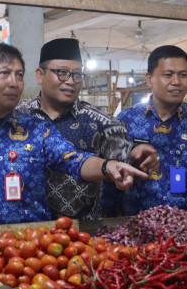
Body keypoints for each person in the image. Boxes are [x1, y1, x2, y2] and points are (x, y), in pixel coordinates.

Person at [0, 43, 147, 229]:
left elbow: (73, 159)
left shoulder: (37, 129)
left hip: (32, 248)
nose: (14, 82)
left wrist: (107, 166)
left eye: (19, 75)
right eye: (4, 73)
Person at [17, 38, 159, 220]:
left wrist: (138, 158)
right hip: (24, 233)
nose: (70, 81)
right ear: (40, 75)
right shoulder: (17, 118)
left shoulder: (102, 122)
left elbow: (122, 163)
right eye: (61, 72)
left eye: (77, 75)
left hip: (82, 238)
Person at [114, 45, 187, 215]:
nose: (176, 81)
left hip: (186, 226)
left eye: (183, 75)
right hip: (135, 225)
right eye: (168, 75)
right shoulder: (126, 121)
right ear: (149, 79)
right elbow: (110, 170)